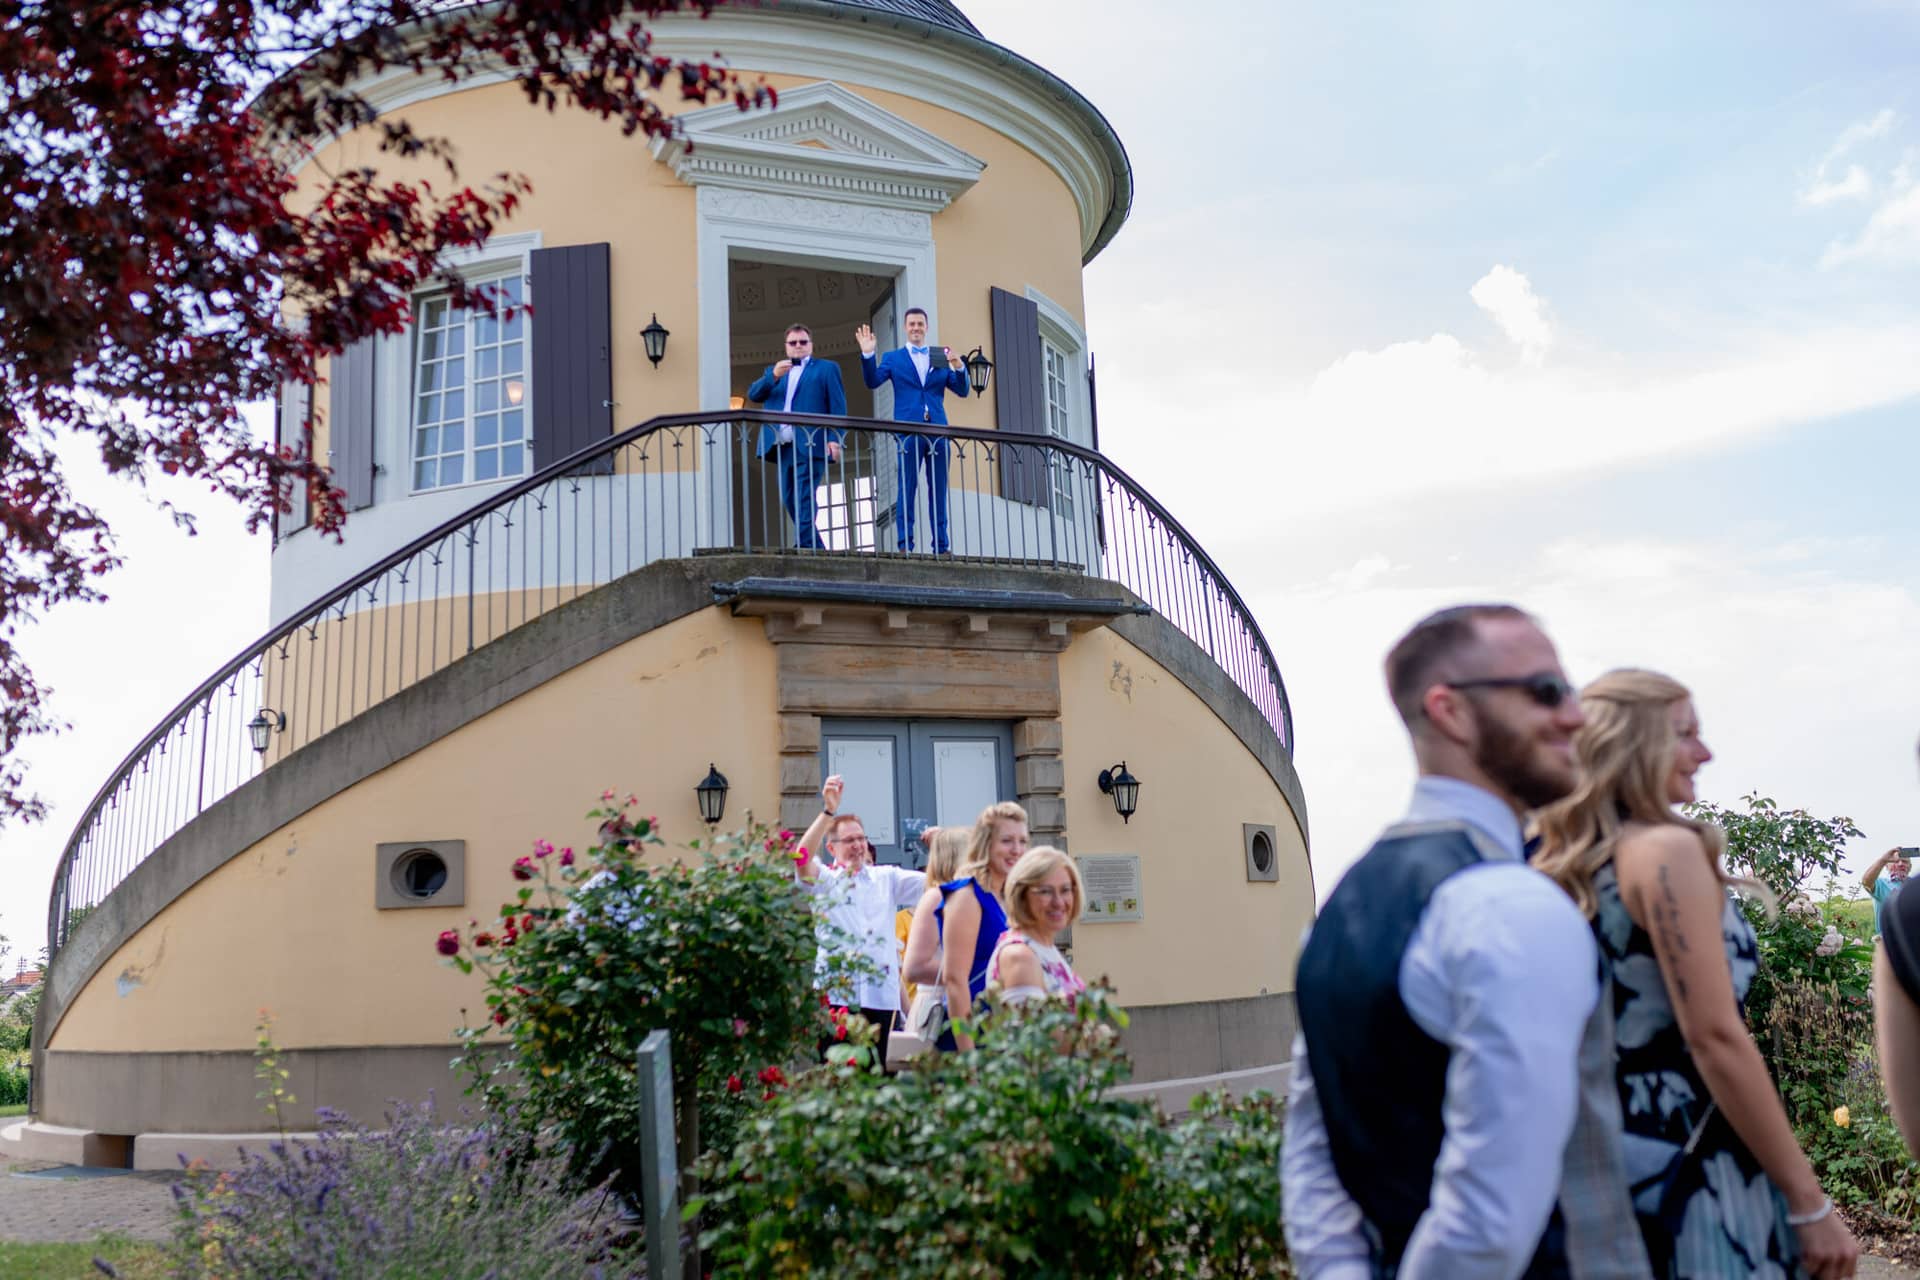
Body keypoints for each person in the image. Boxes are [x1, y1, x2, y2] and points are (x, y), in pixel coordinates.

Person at [1283, 603, 1652, 1280]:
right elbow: (1489, 1217)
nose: (1574, 715)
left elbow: (1312, 1144)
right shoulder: (1512, 906)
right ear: (1450, 711)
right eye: (1545, 692)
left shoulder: (1339, 906)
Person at [1532, 669, 1857, 1279]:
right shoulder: (1666, 853)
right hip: (1694, 1153)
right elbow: (1714, 1038)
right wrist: (1809, 1203)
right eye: (1685, 734)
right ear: (1632, 744)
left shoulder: (1567, 859)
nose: (1704, 753)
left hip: (1601, 1151)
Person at [793, 776, 924, 1069]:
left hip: (882, 999)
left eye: (861, 838)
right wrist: (827, 812)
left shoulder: (887, 878)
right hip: (838, 999)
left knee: (879, 1083)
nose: (858, 845)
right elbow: (801, 858)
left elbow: (937, 883)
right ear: (831, 847)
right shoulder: (826, 881)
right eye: (849, 840)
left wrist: (943, 846)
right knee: (838, 1080)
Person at [855, 307, 969, 555]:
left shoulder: (939, 355)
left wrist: (960, 368)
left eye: (920, 324)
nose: (916, 328)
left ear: (926, 327)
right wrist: (867, 354)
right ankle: (905, 545)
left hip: (938, 430)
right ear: (905, 328)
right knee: (906, 487)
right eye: (912, 324)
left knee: (938, 490)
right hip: (907, 429)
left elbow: (962, 390)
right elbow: (872, 381)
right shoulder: (893, 358)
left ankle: (941, 546)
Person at [935, 801, 1029, 1052]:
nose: (1017, 849)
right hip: (972, 1034)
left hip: (1003, 1030)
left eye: (1023, 841)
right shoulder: (967, 895)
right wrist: (969, 1060)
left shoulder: (1008, 896)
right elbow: (955, 980)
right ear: (986, 844)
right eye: (1007, 841)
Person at [747, 323, 846, 550]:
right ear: (786, 346)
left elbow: (838, 407)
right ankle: (816, 546)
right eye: (793, 343)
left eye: (803, 342)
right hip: (782, 445)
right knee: (789, 498)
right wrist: (772, 375)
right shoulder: (775, 371)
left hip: (811, 442)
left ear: (811, 345)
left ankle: (804, 545)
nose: (798, 346)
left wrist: (835, 439)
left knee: (804, 496)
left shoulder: (827, 368)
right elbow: (754, 394)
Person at [985, 845, 1086, 1005]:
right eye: (1046, 891)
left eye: (1065, 890)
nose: (1058, 902)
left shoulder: (1043, 947)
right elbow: (1031, 1029)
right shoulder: (1019, 956)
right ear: (1022, 895)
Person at [902, 825, 971, 1044]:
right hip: (937, 1009)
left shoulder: (971, 897)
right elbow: (914, 968)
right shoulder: (935, 898)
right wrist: (970, 972)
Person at [1862, 847, 1911, 938]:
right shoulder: (1881, 884)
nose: (1900, 864)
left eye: (1905, 861)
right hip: (1889, 942)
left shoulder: (1915, 885)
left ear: (1910, 866)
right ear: (1887, 866)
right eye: (1895, 861)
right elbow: (1866, 882)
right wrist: (1883, 860)